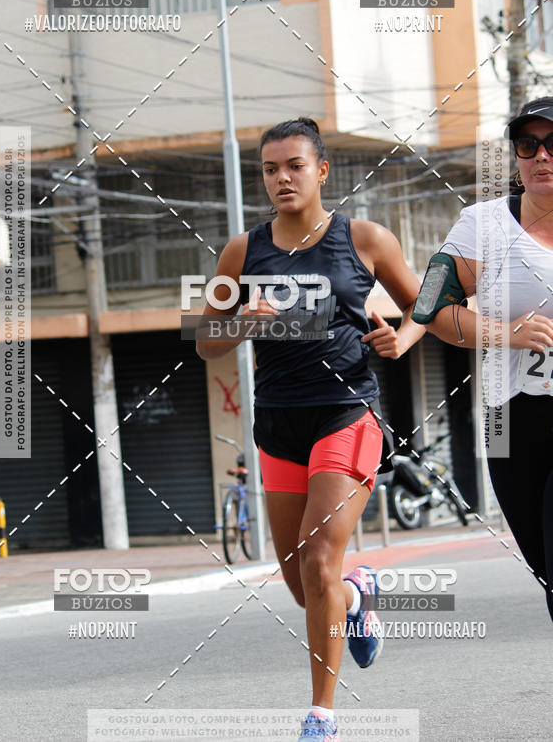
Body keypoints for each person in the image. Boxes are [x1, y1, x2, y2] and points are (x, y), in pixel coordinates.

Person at [196, 118, 425, 741]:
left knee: (321, 558)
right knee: (305, 588)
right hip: (277, 423)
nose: (281, 179)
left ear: (321, 171)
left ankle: (320, 716)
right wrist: (243, 319)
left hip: (346, 413)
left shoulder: (367, 239)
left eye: (294, 166)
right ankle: (357, 598)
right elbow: (204, 342)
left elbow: (424, 304)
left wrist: (400, 339)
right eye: (270, 169)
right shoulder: (241, 252)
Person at [423, 96, 553, 622]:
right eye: (529, 145)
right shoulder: (484, 224)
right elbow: (429, 304)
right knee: (546, 571)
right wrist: (507, 334)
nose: (542, 156)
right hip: (507, 419)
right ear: (517, 157)